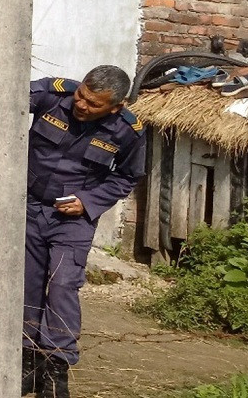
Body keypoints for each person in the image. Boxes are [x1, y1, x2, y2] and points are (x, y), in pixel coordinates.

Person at [21, 66, 145, 398]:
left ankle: (55, 370)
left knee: (61, 285)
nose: (81, 104)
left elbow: (128, 176)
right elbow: (8, 95)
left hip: (73, 220)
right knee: (29, 286)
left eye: (93, 104)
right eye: (81, 95)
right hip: (29, 208)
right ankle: (27, 363)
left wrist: (88, 202)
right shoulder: (53, 94)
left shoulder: (127, 130)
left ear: (116, 107)